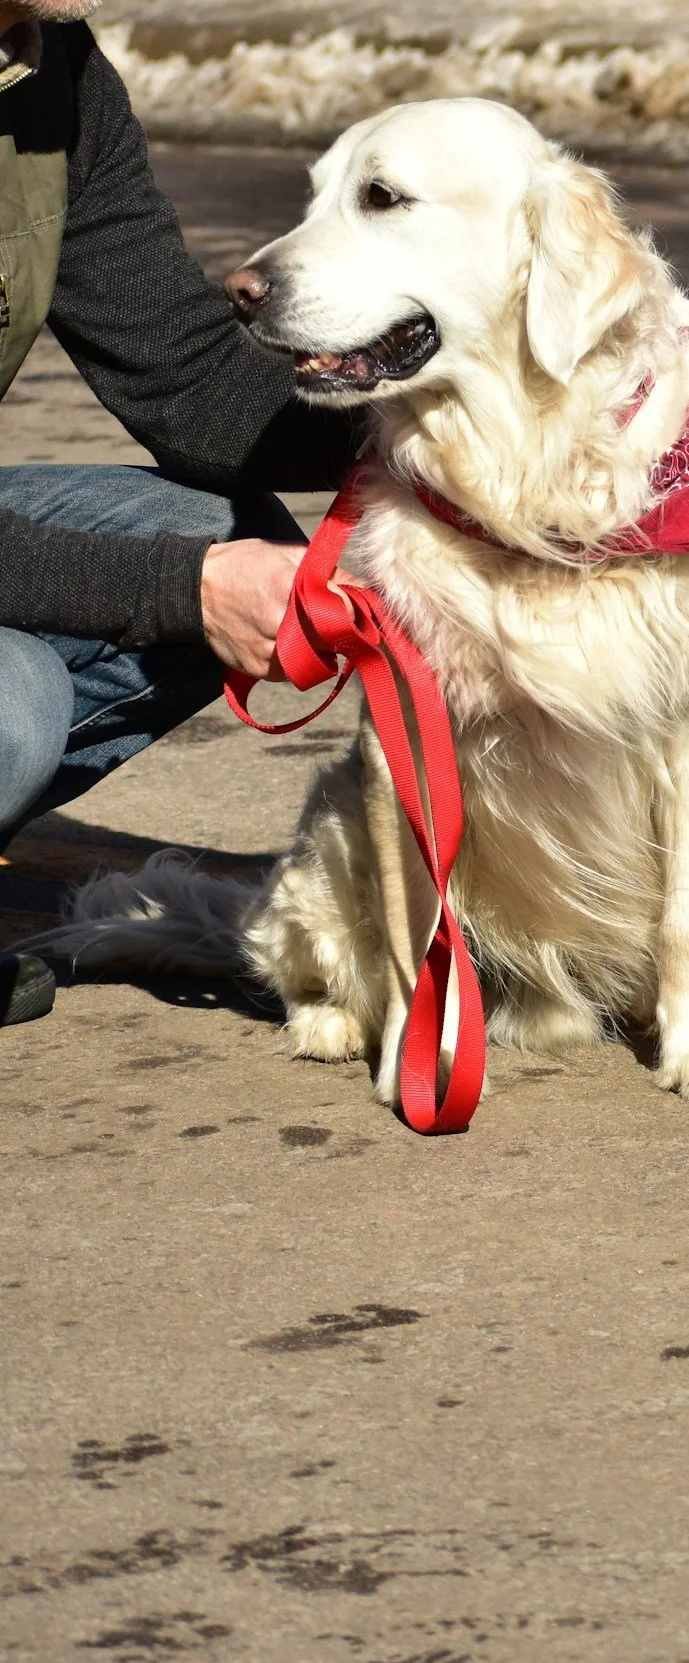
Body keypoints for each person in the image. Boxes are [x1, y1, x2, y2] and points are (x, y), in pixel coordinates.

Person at [0, 1, 358, 1026]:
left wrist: (435, 420)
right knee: (12, 700)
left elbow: (191, 379)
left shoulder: (50, 69)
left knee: (230, 540)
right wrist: (175, 593)